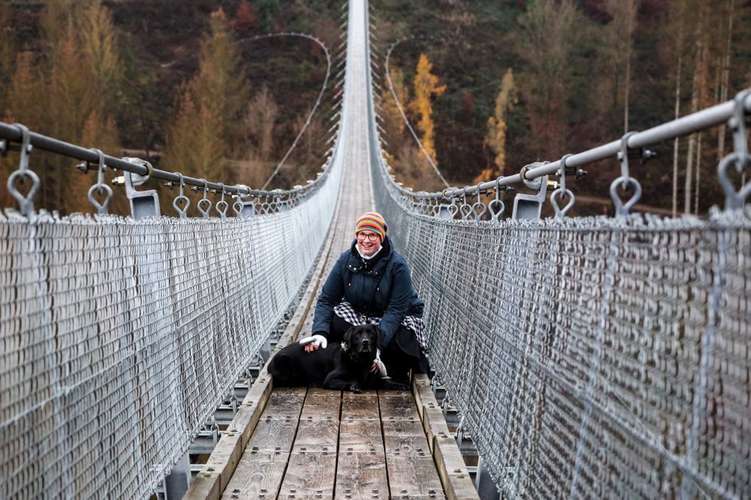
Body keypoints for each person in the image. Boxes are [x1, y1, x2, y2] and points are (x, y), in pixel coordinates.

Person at [302, 211, 430, 384]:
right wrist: (319, 333)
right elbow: (327, 300)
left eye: (372, 235)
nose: (366, 240)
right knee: (333, 324)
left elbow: (396, 310)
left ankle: (386, 368)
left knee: (402, 342)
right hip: (361, 314)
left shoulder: (398, 265)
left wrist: (378, 344)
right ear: (356, 235)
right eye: (362, 234)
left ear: (382, 238)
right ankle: (347, 365)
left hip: (395, 317)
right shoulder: (345, 259)